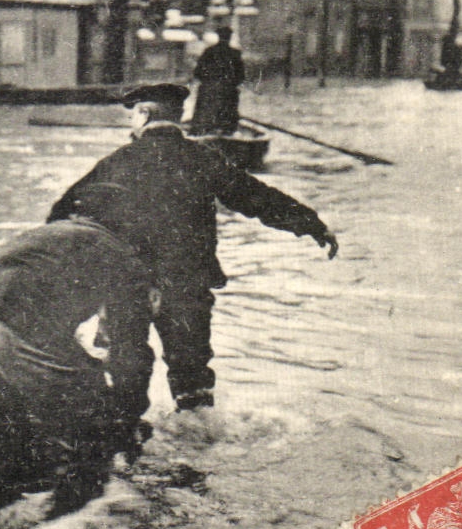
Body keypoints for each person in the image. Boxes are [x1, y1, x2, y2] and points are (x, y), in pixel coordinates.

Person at [47, 83, 338, 412]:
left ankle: (127, 440)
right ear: (179, 117)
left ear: (143, 115)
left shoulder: (116, 162)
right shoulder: (203, 158)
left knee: (126, 370)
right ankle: (197, 443)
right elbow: (257, 198)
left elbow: (62, 215)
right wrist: (312, 224)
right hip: (186, 284)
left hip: (128, 284)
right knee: (192, 379)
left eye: (133, 115)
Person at [0, 185, 157, 529]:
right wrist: (126, 416)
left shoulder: (46, 236)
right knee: (92, 422)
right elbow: (129, 348)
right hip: (6, 329)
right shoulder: (117, 251)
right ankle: (68, 528)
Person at [189, 25, 245, 135]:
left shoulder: (209, 51)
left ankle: (200, 131)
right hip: (228, 91)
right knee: (229, 115)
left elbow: (198, 72)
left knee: (203, 115)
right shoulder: (235, 53)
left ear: (218, 37)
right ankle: (227, 132)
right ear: (229, 38)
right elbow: (240, 76)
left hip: (209, 90)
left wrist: (209, 81)